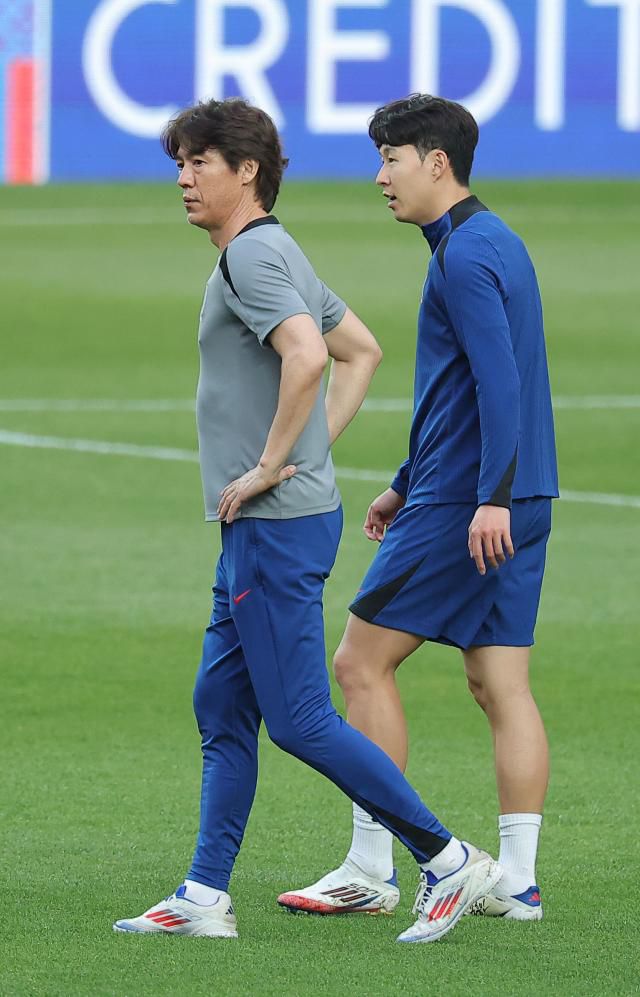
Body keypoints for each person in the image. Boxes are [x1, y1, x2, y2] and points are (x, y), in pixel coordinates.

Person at [113, 97, 503, 944]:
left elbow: (309, 353)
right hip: (270, 523)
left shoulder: (253, 257)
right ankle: (204, 894)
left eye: (199, 163)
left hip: (275, 524)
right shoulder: (273, 246)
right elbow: (362, 348)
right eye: (179, 163)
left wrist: (271, 463)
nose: (183, 179)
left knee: (298, 719)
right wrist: (308, 451)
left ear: (247, 171)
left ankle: (447, 857)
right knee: (222, 702)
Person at [279, 94, 558, 922]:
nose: (380, 176)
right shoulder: (496, 239)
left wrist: (484, 499)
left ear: (436, 162)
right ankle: (518, 881)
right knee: (500, 681)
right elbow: (467, 388)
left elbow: (500, 384)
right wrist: (406, 477)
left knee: (358, 664)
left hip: (470, 501)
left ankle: (373, 865)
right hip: (518, 493)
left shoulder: (463, 256)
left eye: (391, 158)